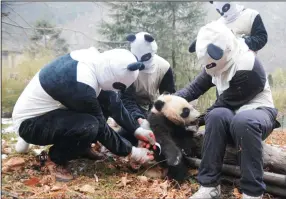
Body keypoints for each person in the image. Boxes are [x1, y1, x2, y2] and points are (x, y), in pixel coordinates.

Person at [12, 47, 154, 182]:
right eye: (119, 87)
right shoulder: (82, 82)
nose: (118, 91)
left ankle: (81, 147)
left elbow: (113, 103)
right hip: (30, 124)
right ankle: (55, 160)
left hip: (51, 112)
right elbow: (100, 127)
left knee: (100, 108)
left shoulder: (97, 63)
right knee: (89, 125)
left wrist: (137, 130)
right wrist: (132, 151)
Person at [176, 21, 280, 199]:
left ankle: (252, 192)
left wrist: (190, 119)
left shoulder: (248, 66)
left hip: (259, 113)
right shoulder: (215, 62)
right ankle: (209, 185)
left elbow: (224, 102)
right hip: (229, 114)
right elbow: (193, 89)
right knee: (216, 116)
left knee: (242, 121)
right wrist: (167, 103)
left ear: (223, 51)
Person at [118, 32, 176, 147]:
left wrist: (156, 115)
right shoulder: (128, 67)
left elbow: (168, 96)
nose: (141, 63)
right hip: (131, 107)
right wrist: (138, 118)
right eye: (137, 58)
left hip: (154, 106)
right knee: (129, 130)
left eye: (145, 58)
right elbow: (126, 99)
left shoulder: (164, 67)